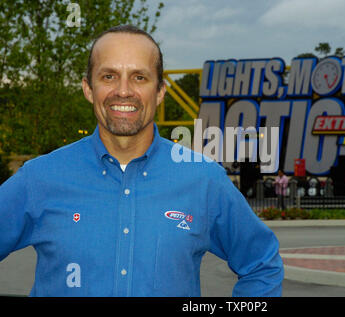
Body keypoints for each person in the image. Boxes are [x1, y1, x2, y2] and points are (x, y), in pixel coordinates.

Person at [0, 25, 284, 297]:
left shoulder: (204, 179)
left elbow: (262, 264)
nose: (123, 91)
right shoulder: (40, 178)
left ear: (159, 91)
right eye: (109, 76)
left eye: (139, 77)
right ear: (88, 88)